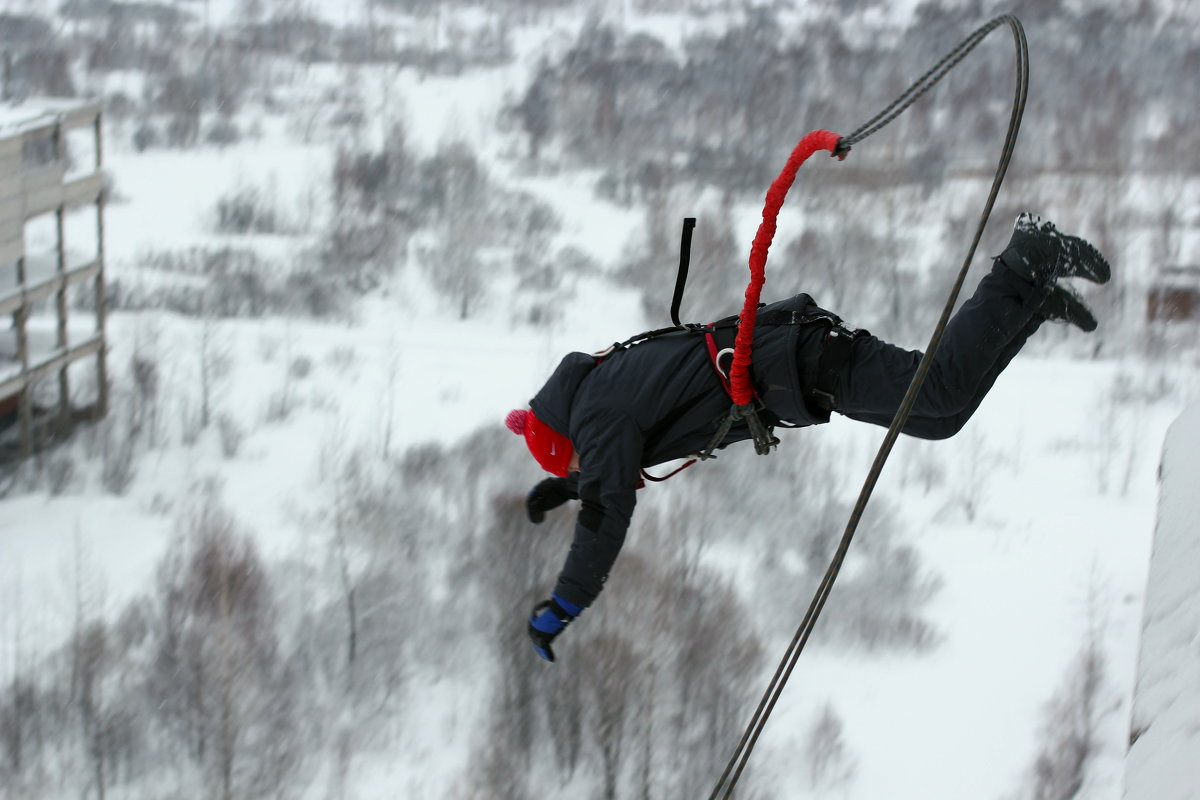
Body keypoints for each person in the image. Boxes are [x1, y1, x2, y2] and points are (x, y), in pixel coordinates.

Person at [506, 213, 1111, 662]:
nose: (588, 464)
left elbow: (609, 505)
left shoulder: (598, 418)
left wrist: (565, 605)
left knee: (937, 397)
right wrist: (564, 486)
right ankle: (1026, 297)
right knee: (940, 416)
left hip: (805, 360)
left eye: (577, 462)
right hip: (800, 365)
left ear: (570, 440)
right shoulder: (596, 399)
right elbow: (603, 469)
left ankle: (1023, 263)